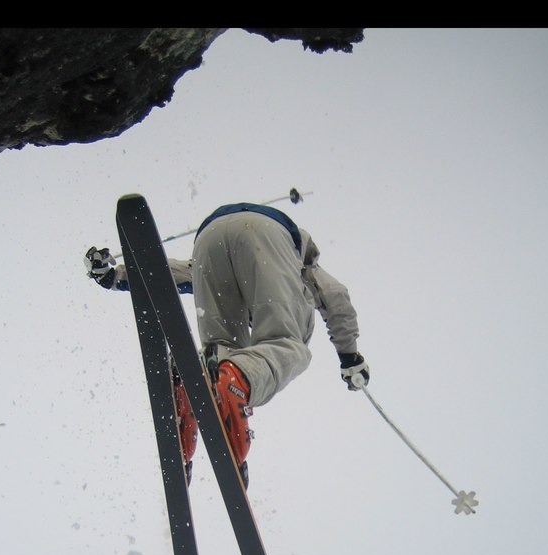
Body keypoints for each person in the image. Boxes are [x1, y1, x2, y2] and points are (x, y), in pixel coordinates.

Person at [86, 201, 368, 486]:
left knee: (219, 351)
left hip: (209, 237)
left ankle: (188, 382)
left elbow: (183, 274)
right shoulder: (303, 265)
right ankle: (235, 382)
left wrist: (118, 276)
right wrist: (350, 357)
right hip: (271, 235)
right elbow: (336, 296)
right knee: (286, 343)